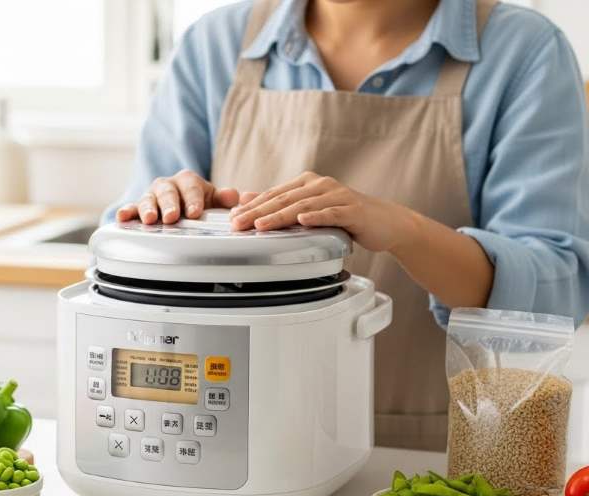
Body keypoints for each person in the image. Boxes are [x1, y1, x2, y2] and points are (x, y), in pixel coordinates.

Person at [110, 0, 589, 450]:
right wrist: (175, 219)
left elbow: (557, 295)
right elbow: (125, 263)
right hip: (231, 445)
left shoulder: (524, 51)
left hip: (431, 469)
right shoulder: (213, 45)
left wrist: (406, 230)